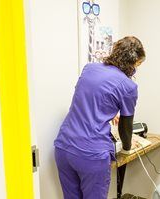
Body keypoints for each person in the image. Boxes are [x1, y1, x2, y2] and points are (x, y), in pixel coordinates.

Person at [54, 36, 145, 199]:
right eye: (138, 64)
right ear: (133, 63)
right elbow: (126, 127)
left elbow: (88, 99)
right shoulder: (129, 86)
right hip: (91, 155)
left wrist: (108, 113)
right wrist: (126, 147)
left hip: (64, 146)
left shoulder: (89, 68)